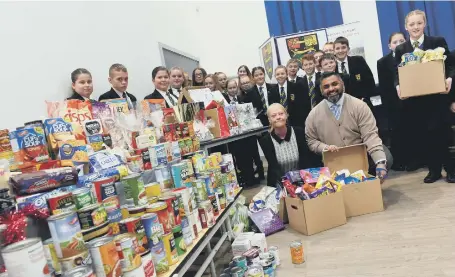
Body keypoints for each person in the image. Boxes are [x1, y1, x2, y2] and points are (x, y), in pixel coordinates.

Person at [394, 10, 455, 183]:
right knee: (424, 136)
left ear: (425, 24)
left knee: (442, 134)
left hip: (437, 99)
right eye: (412, 24)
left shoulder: (436, 42)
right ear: (406, 27)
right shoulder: (401, 49)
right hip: (415, 102)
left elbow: (450, 65)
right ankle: (434, 170)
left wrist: (449, 79)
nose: (415, 27)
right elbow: (397, 73)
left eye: (419, 23)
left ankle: (450, 169)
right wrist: (398, 87)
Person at [305, 72, 391, 183]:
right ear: (321, 90)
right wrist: (324, 147)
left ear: (342, 85)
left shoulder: (359, 106)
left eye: (335, 84)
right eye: (326, 86)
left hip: (362, 156)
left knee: (386, 157)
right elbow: (311, 141)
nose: (331, 89)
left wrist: (380, 162)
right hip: (334, 160)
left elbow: (370, 135)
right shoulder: (313, 115)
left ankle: (372, 187)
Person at [260, 103, 318, 186]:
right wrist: (287, 184)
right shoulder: (265, 141)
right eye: (274, 116)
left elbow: (306, 159)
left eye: (281, 114)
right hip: (280, 181)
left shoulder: (299, 132)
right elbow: (274, 167)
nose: (278, 117)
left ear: (286, 115)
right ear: (269, 120)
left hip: (302, 179)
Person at [377, 32, 407, 171]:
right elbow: (384, 88)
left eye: (401, 40)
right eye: (395, 42)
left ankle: (418, 159)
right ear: (389, 46)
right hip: (394, 104)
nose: (399, 44)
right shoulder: (382, 62)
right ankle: (399, 161)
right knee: (397, 133)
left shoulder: (412, 56)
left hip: (412, 102)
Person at [334, 36, 376, 101]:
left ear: (348, 49)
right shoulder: (332, 67)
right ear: (334, 51)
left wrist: (365, 97)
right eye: (337, 48)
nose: (340, 50)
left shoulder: (358, 60)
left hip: (362, 101)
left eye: (343, 47)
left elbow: (370, 81)